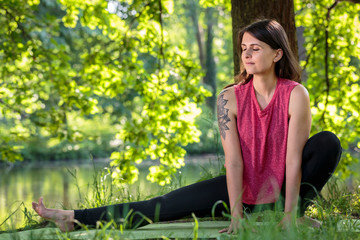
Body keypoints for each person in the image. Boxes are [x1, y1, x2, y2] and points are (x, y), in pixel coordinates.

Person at [32, 19, 342, 233]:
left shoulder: (295, 94)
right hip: (242, 191)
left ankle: (290, 216)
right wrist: (236, 215)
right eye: (244, 47)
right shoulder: (228, 99)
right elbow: (233, 161)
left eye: (256, 48)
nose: (247, 53)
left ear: (277, 53)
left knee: (327, 142)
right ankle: (73, 219)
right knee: (160, 205)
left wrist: (289, 213)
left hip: (283, 190)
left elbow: (293, 159)